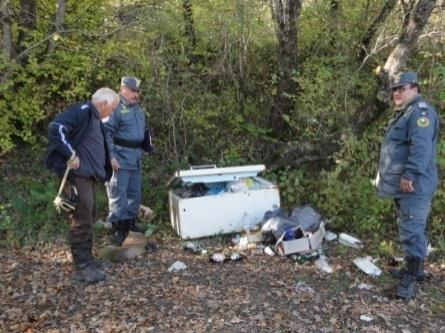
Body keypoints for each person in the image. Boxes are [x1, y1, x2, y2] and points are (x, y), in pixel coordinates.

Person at [45, 87, 120, 283]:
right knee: (80, 220)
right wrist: (71, 153)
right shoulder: (83, 110)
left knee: (88, 218)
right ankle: (82, 268)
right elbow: (56, 128)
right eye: (111, 109)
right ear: (103, 104)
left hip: (88, 178)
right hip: (77, 178)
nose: (110, 113)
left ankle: (88, 260)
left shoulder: (95, 118)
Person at [376, 71, 439, 300]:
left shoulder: (421, 113)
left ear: (415, 88)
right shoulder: (407, 113)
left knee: (411, 230)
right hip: (405, 184)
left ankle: (410, 280)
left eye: (402, 88)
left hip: (414, 185)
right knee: (411, 226)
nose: (396, 92)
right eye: (394, 89)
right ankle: (416, 270)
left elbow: (420, 149)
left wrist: (409, 175)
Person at [104, 76, 154, 245]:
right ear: (123, 89)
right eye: (132, 91)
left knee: (134, 193)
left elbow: (144, 131)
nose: (135, 94)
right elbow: (106, 134)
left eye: (137, 91)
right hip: (120, 156)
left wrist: (147, 146)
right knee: (118, 192)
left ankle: (131, 224)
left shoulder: (138, 110)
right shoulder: (114, 108)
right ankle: (119, 229)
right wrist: (110, 157)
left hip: (136, 157)